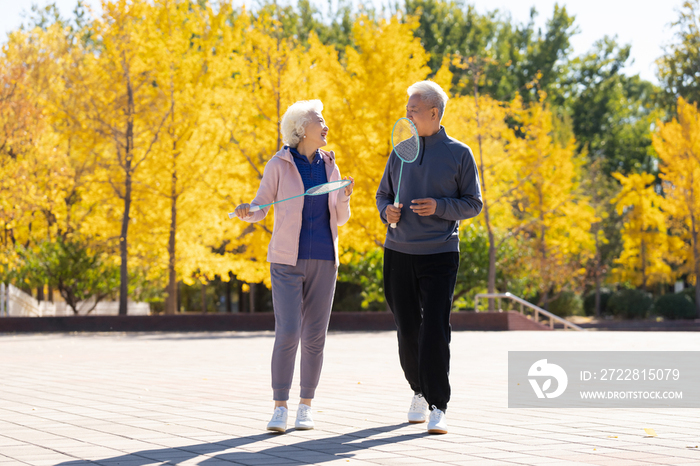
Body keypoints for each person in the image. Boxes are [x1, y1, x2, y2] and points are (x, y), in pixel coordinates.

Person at [234, 99, 354, 433]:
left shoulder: (331, 165)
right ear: (301, 129)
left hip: (325, 260)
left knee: (315, 335)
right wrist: (248, 210)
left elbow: (340, 218)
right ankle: (279, 406)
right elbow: (262, 206)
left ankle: (306, 406)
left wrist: (344, 195)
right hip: (287, 261)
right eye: (320, 120)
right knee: (288, 331)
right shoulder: (279, 163)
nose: (326, 126)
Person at [375, 81, 482, 434]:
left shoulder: (459, 153)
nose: (407, 114)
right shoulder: (401, 150)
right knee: (407, 329)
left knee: (435, 328)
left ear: (434, 113)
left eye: (413, 110)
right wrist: (386, 212)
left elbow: (473, 203)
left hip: (440, 253)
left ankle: (438, 404)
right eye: (407, 109)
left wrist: (440, 207)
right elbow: (383, 194)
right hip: (398, 252)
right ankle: (418, 390)